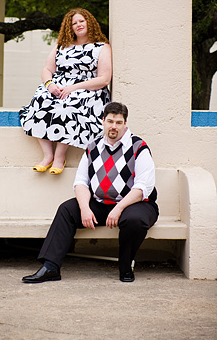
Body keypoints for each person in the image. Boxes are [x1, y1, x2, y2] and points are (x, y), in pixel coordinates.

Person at [22, 101, 159, 283]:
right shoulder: (93, 147)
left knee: (135, 220)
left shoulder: (139, 147)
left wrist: (118, 209)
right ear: (103, 121)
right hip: (101, 203)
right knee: (67, 210)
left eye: (118, 122)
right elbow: (81, 182)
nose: (113, 126)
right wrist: (85, 208)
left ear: (125, 123)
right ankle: (50, 267)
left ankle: (126, 266)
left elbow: (143, 187)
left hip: (134, 204)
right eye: (110, 121)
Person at [19, 8, 112, 173]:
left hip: (87, 90)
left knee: (68, 105)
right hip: (59, 87)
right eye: (74, 23)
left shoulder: (101, 47)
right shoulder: (61, 46)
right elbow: (47, 69)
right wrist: (49, 84)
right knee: (41, 100)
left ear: (89, 22)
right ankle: (47, 155)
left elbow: (104, 79)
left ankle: (60, 156)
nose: (78, 25)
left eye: (81, 21)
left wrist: (73, 87)